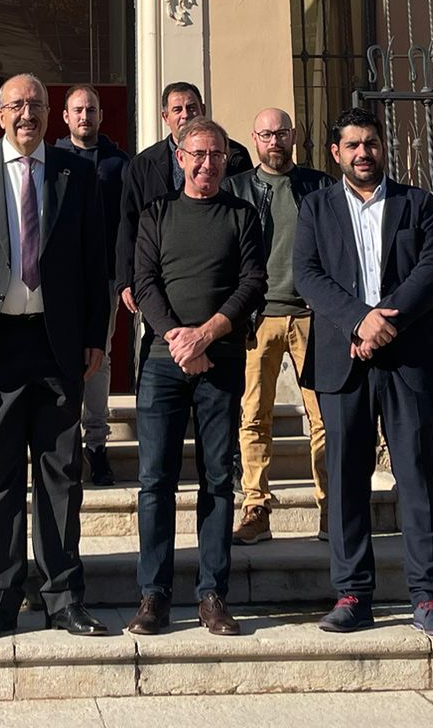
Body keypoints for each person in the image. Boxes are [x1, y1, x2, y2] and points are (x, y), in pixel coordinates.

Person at [0, 74, 109, 640]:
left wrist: (96, 336)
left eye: (36, 104)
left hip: (56, 345)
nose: (27, 114)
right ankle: (1, 597)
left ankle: (63, 597)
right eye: (17, 106)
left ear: (50, 112)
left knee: (61, 474)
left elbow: (93, 261)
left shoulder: (74, 172)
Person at [293, 108, 433, 641]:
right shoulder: (316, 207)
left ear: (383, 147)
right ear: (336, 153)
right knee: (345, 480)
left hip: (408, 358)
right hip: (344, 360)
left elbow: (432, 269)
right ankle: (352, 594)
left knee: (416, 475)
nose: (363, 152)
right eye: (352, 145)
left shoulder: (418, 203)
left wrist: (385, 319)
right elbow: (308, 274)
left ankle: (429, 596)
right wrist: (358, 321)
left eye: (371, 143)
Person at [127, 116, 265, 638]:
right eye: (198, 154)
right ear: (180, 158)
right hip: (164, 366)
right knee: (155, 481)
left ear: (227, 161)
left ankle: (212, 594)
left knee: (217, 480)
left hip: (221, 362)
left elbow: (253, 282)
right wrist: (179, 341)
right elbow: (145, 282)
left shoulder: (243, 215)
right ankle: (153, 596)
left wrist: (206, 336)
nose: (208, 164)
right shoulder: (155, 213)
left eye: (217, 156)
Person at [225, 107, 330, 546]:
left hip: (311, 316)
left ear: (295, 136)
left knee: (325, 417)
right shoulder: (237, 189)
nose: (275, 141)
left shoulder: (319, 186)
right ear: (254, 138)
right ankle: (255, 508)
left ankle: (332, 509)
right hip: (257, 316)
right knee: (253, 416)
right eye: (267, 134)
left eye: (282, 133)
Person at [118, 82, 251, 316]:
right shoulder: (143, 165)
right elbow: (129, 224)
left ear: (203, 109)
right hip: (160, 279)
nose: (185, 115)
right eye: (177, 109)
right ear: (164, 116)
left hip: (221, 280)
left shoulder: (234, 158)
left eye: (191, 107)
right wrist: (126, 279)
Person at [52, 84, 127, 487]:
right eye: (78, 110)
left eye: (92, 110)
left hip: (105, 277)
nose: (85, 116)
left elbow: (130, 223)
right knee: (59, 358)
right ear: (65, 116)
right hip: (59, 279)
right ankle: (63, 446)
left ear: (100, 115)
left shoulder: (119, 163)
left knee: (101, 359)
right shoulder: (49, 160)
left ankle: (96, 445)